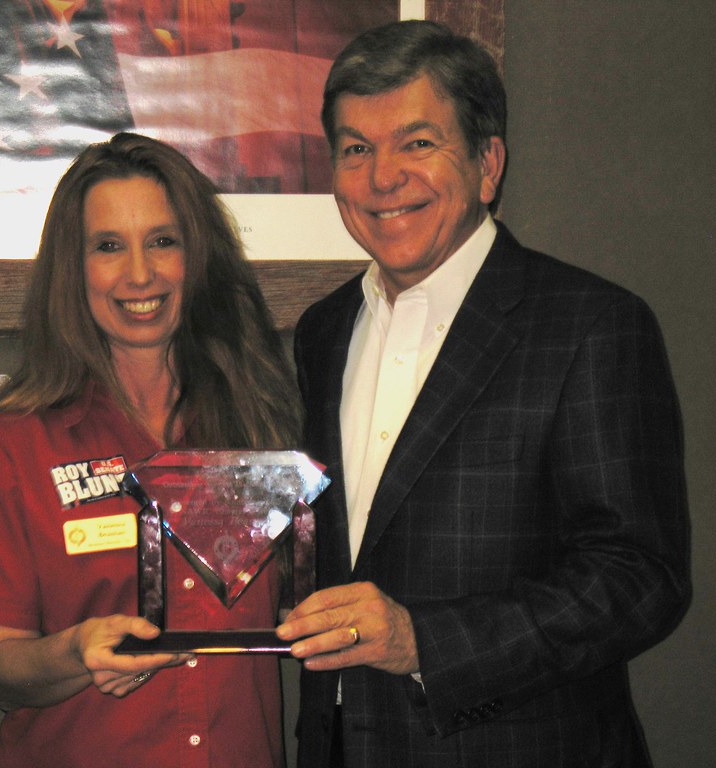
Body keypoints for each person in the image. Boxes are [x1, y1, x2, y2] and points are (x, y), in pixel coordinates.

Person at [275, 20, 691, 767]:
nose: (382, 177)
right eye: (356, 149)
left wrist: (422, 642)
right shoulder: (322, 332)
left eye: (417, 143)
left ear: (488, 163)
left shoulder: (591, 325)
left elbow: (640, 578)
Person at [0, 132, 300, 768]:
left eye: (163, 240)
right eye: (108, 247)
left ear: (197, 255)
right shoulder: (14, 443)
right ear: (73, 269)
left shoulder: (260, 418)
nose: (139, 274)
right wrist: (74, 653)